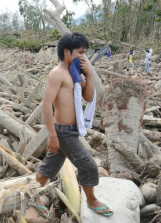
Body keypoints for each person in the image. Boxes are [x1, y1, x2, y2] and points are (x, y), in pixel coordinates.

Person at [36, 32, 113, 217]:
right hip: (62, 132)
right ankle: (92, 200)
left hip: (71, 130)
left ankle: (33, 195)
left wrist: (89, 74)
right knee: (89, 166)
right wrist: (53, 135)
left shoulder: (75, 73)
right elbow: (46, 105)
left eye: (84, 53)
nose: (83, 56)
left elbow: (88, 96)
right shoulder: (57, 74)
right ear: (66, 52)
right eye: (80, 52)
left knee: (49, 168)